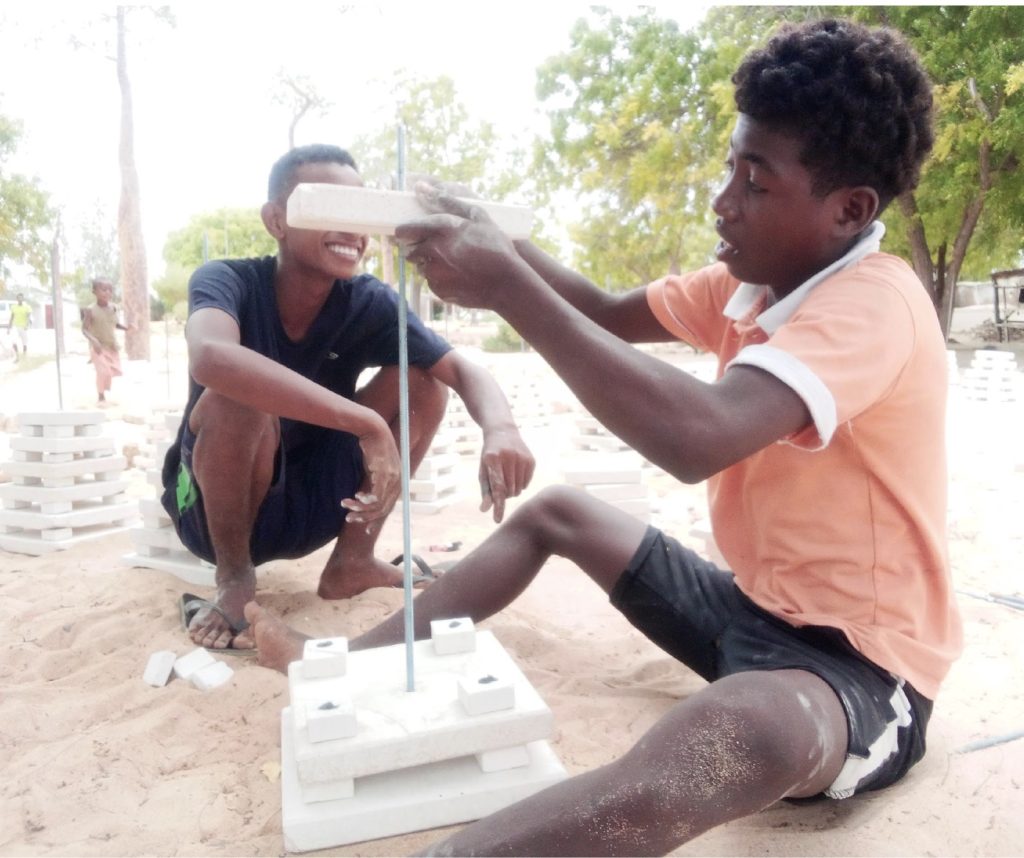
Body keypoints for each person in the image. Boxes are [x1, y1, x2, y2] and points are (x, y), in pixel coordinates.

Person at [244, 17, 963, 856]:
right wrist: (489, 234)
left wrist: (506, 282)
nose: (723, 199)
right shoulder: (756, 285)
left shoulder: (875, 303)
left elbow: (700, 436)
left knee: (738, 734)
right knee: (562, 514)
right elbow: (601, 309)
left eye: (756, 182)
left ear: (850, 210)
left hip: (859, 673)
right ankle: (350, 662)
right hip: (754, 610)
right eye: (731, 165)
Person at [161, 144, 535, 652]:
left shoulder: (369, 302)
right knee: (235, 396)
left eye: (356, 211)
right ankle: (234, 580)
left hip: (310, 505)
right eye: (327, 207)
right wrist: (365, 422)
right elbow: (209, 356)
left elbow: (461, 370)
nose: (348, 227)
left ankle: (352, 561)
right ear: (277, 220)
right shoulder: (229, 280)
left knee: (421, 382)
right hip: (215, 513)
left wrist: (502, 428)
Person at [81, 277, 128, 404]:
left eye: (110, 290)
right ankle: (101, 396)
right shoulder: (90, 310)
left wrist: (127, 328)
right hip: (97, 347)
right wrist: (93, 340)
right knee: (103, 371)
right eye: (103, 289)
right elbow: (84, 329)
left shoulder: (113, 308)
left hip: (111, 345)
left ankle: (103, 387)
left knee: (110, 371)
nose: (107, 293)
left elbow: (115, 324)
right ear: (94, 291)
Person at [7, 293, 32, 361]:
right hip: (15, 327)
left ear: (23, 299)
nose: (20, 299)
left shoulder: (27, 307)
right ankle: (17, 357)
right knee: (13, 342)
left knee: (24, 343)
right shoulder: (13, 307)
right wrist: (8, 328)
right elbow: (11, 317)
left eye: (21, 298)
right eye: (18, 298)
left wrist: (27, 325)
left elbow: (28, 316)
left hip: (23, 327)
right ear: (17, 299)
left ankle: (24, 356)